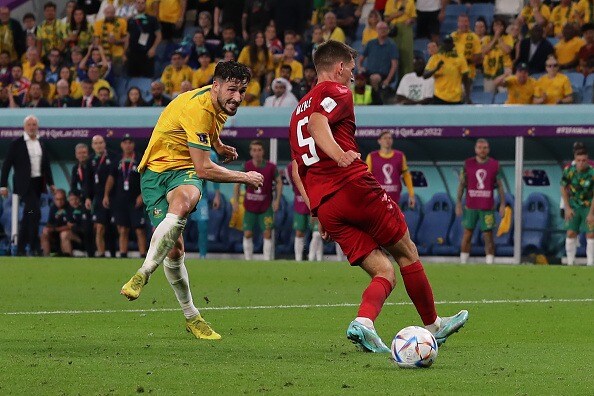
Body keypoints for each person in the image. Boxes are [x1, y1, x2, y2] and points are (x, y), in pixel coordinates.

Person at [289, 40, 468, 352]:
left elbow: (297, 167)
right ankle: (434, 325)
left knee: (383, 271)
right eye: (352, 71)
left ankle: (364, 323)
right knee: (406, 251)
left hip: (327, 205)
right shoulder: (335, 91)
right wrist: (340, 155)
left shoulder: (295, 113)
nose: (353, 77)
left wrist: (316, 211)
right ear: (339, 68)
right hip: (352, 187)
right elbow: (320, 126)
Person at [120, 61, 264, 340]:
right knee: (173, 252)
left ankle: (143, 273)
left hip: (183, 171)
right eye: (232, 89)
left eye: (242, 91)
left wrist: (218, 145)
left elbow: (202, 142)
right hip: (154, 173)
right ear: (216, 86)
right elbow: (205, 169)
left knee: (184, 203)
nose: (237, 97)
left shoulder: (218, 105)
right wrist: (245, 177)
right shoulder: (198, 109)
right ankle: (192, 317)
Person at [0, 115, 55, 256]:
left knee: (29, 215)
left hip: (38, 183)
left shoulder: (41, 143)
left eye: (34, 124)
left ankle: (20, 248)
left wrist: (51, 183)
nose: (32, 127)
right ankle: (35, 246)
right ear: (24, 127)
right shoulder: (16, 143)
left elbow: (46, 165)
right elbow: (7, 165)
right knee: (34, 211)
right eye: (29, 124)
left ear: (37, 127)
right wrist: (3, 185)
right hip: (24, 184)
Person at [455, 139, 505, 265]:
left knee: (488, 236)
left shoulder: (495, 165)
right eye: (480, 147)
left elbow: (500, 186)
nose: (482, 150)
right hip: (471, 206)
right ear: (475, 149)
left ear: (488, 149)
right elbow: (462, 184)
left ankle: (490, 263)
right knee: (467, 234)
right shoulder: (467, 164)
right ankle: (463, 262)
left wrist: (503, 204)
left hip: (487, 206)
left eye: (485, 147)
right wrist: (458, 203)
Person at [233, 140, 282, 261]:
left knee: (267, 233)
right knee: (248, 233)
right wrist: (235, 201)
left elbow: (279, 182)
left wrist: (277, 200)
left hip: (266, 207)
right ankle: (248, 260)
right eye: (254, 150)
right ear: (250, 152)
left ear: (263, 151)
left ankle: (266, 260)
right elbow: (237, 183)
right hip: (249, 207)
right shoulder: (246, 166)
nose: (257, 153)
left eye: (259, 150)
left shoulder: (271, 167)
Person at [104, 134, 147, 258]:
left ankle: (143, 255)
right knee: (123, 229)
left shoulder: (140, 159)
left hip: (136, 200)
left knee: (139, 229)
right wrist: (106, 195)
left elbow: (146, 178)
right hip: (120, 200)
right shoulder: (117, 160)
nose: (128, 145)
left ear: (133, 144)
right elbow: (111, 178)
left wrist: (142, 195)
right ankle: (123, 255)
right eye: (125, 143)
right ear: (121, 145)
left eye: (130, 142)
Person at [561, 145, 594, 266]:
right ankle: (570, 262)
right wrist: (567, 207)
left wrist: (591, 213)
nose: (581, 163)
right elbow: (563, 188)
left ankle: (590, 263)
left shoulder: (592, 172)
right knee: (570, 232)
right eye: (579, 160)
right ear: (575, 159)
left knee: (591, 233)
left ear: (587, 159)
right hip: (574, 205)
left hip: (589, 206)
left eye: (584, 160)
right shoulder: (569, 171)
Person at [365, 130, 415, 209]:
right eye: (385, 138)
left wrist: (411, 195)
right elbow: (366, 178)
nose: (387, 140)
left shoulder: (400, 156)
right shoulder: (371, 157)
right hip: (377, 200)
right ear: (379, 141)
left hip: (395, 200)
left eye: (389, 138)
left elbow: (406, 176)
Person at [84, 134, 116, 257]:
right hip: (98, 198)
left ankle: (113, 254)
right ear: (92, 146)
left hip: (113, 197)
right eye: (96, 143)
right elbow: (88, 181)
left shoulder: (113, 157)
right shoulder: (90, 160)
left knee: (112, 228)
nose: (98, 145)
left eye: (100, 143)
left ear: (104, 144)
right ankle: (101, 254)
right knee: (99, 227)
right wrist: (87, 197)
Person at [424, 35, 471, 104]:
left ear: (453, 45)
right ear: (441, 45)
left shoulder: (460, 58)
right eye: (445, 43)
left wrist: (467, 97)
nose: (447, 45)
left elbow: (466, 79)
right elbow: (425, 75)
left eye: (449, 43)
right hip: (439, 96)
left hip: (456, 97)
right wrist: (436, 68)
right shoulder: (435, 58)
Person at [285, 161, 310, 261]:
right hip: (300, 203)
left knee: (317, 233)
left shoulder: (314, 162)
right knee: (299, 232)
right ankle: (298, 260)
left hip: (315, 202)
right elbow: (292, 184)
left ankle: (314, 258)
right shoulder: (290, 167)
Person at [41, 189, 77, 256]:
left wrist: (54, 229)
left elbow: (70, 226)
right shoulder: (53, 208)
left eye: (61, 199)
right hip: (56, 234)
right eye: (57, 199)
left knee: (64, 234)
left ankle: (69, 260)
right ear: (54, 199)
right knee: (44, 235)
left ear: (65, 199)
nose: (59, 202)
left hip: (72, 235)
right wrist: (46, 228)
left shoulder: (70, 208)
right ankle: (46, 259)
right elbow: (50, 223)